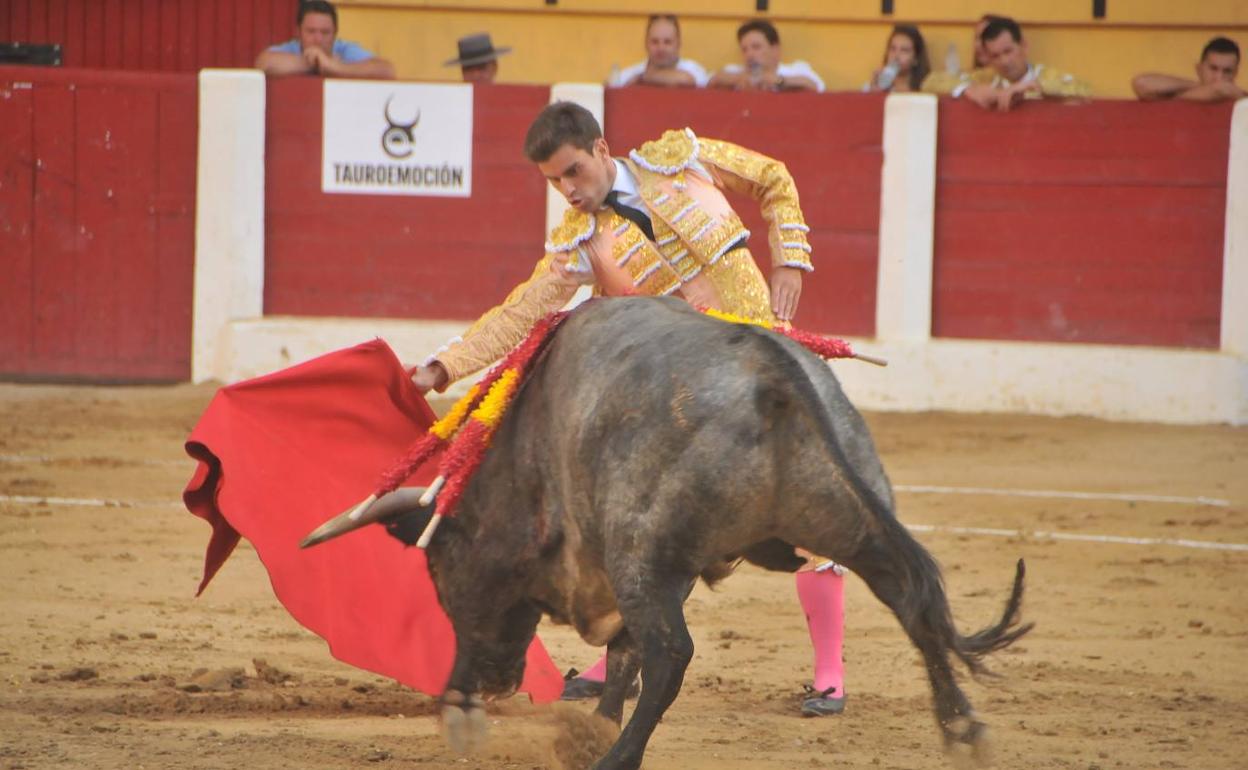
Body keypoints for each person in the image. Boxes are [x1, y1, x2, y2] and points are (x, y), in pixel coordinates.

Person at [409, 101, 850, 717]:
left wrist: (790, 260)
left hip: (769, 372)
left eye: (573, 172)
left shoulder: (684, 161)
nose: (568, 191)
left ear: (603, 150)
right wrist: (444, 366)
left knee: (813, 516)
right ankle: (616, 659)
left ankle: (830, 673)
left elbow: (773, 177)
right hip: (688, 408)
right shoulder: (581, 244)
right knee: (655, 532)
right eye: (554, 182)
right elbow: (523, 310)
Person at [924, 15, 1089, 111]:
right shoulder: (984, 78)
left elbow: (1084, 90)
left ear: (1023, 46)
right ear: (987, 57)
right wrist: (968, 89)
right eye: (995, 56)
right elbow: (930, 82)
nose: (1004, 61)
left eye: (1008, 51)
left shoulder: (1047, 76)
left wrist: (1032, 87)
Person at [255, 0, 394, 79]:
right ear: (298, 32)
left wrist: (335, 67)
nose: (318, 38)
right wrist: (317, 63)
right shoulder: (291, 48)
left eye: (325, 32)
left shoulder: (344, 49)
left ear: (335, 33)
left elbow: (386, 70)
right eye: (311, 31)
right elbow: (263, 63)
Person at [708, 19, 825, 93]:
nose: (749, 54)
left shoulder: (795, 70)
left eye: (756, 47)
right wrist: (737, 78)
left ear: (775, 50)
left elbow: (817, 86)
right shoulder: (735, 70)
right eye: (744, 49)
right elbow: (710, 82)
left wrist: (780, 81)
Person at [608, 14, 709, 88]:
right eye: (655, 42)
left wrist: (643, 78)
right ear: (646, 43)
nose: (661, 48)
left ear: (678, 44)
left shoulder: (694, 70)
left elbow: (686, 80)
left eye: (667, 42)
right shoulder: (628, 75)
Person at [1132, 37, 1245, 102]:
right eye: (1213, 69)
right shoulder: (1188, 92)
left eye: (1227, 71)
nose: (1219, 77)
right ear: (1199, 69)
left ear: (1235, 73)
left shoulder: (1242, 99)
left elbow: (1222, 90)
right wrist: (1199, 87)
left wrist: (1172, 101)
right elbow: (1141, 83)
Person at [864, 24, 931, 93]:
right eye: (893, 49)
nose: (896, 56)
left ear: (916, 58)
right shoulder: (873, 86)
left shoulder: (925, 89)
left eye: (904, 50)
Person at [444, 32, 511, 84]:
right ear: (462, 72)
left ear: (494, 67)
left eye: (481, 67)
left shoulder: (509, 99)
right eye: (468, 69)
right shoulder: (453, 100)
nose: (475, 75)